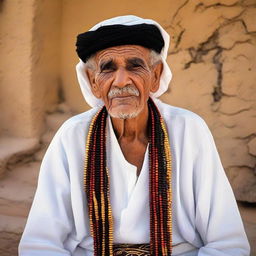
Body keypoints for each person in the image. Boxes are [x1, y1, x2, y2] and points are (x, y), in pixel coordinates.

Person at [19, 15, 250, 256]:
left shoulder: (189, 130)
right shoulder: (73, 136)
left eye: (134, 66)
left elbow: (227, 244)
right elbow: (41, 244)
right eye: (107, 69)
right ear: (93, 82)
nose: (121, 81)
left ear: (156, 75)